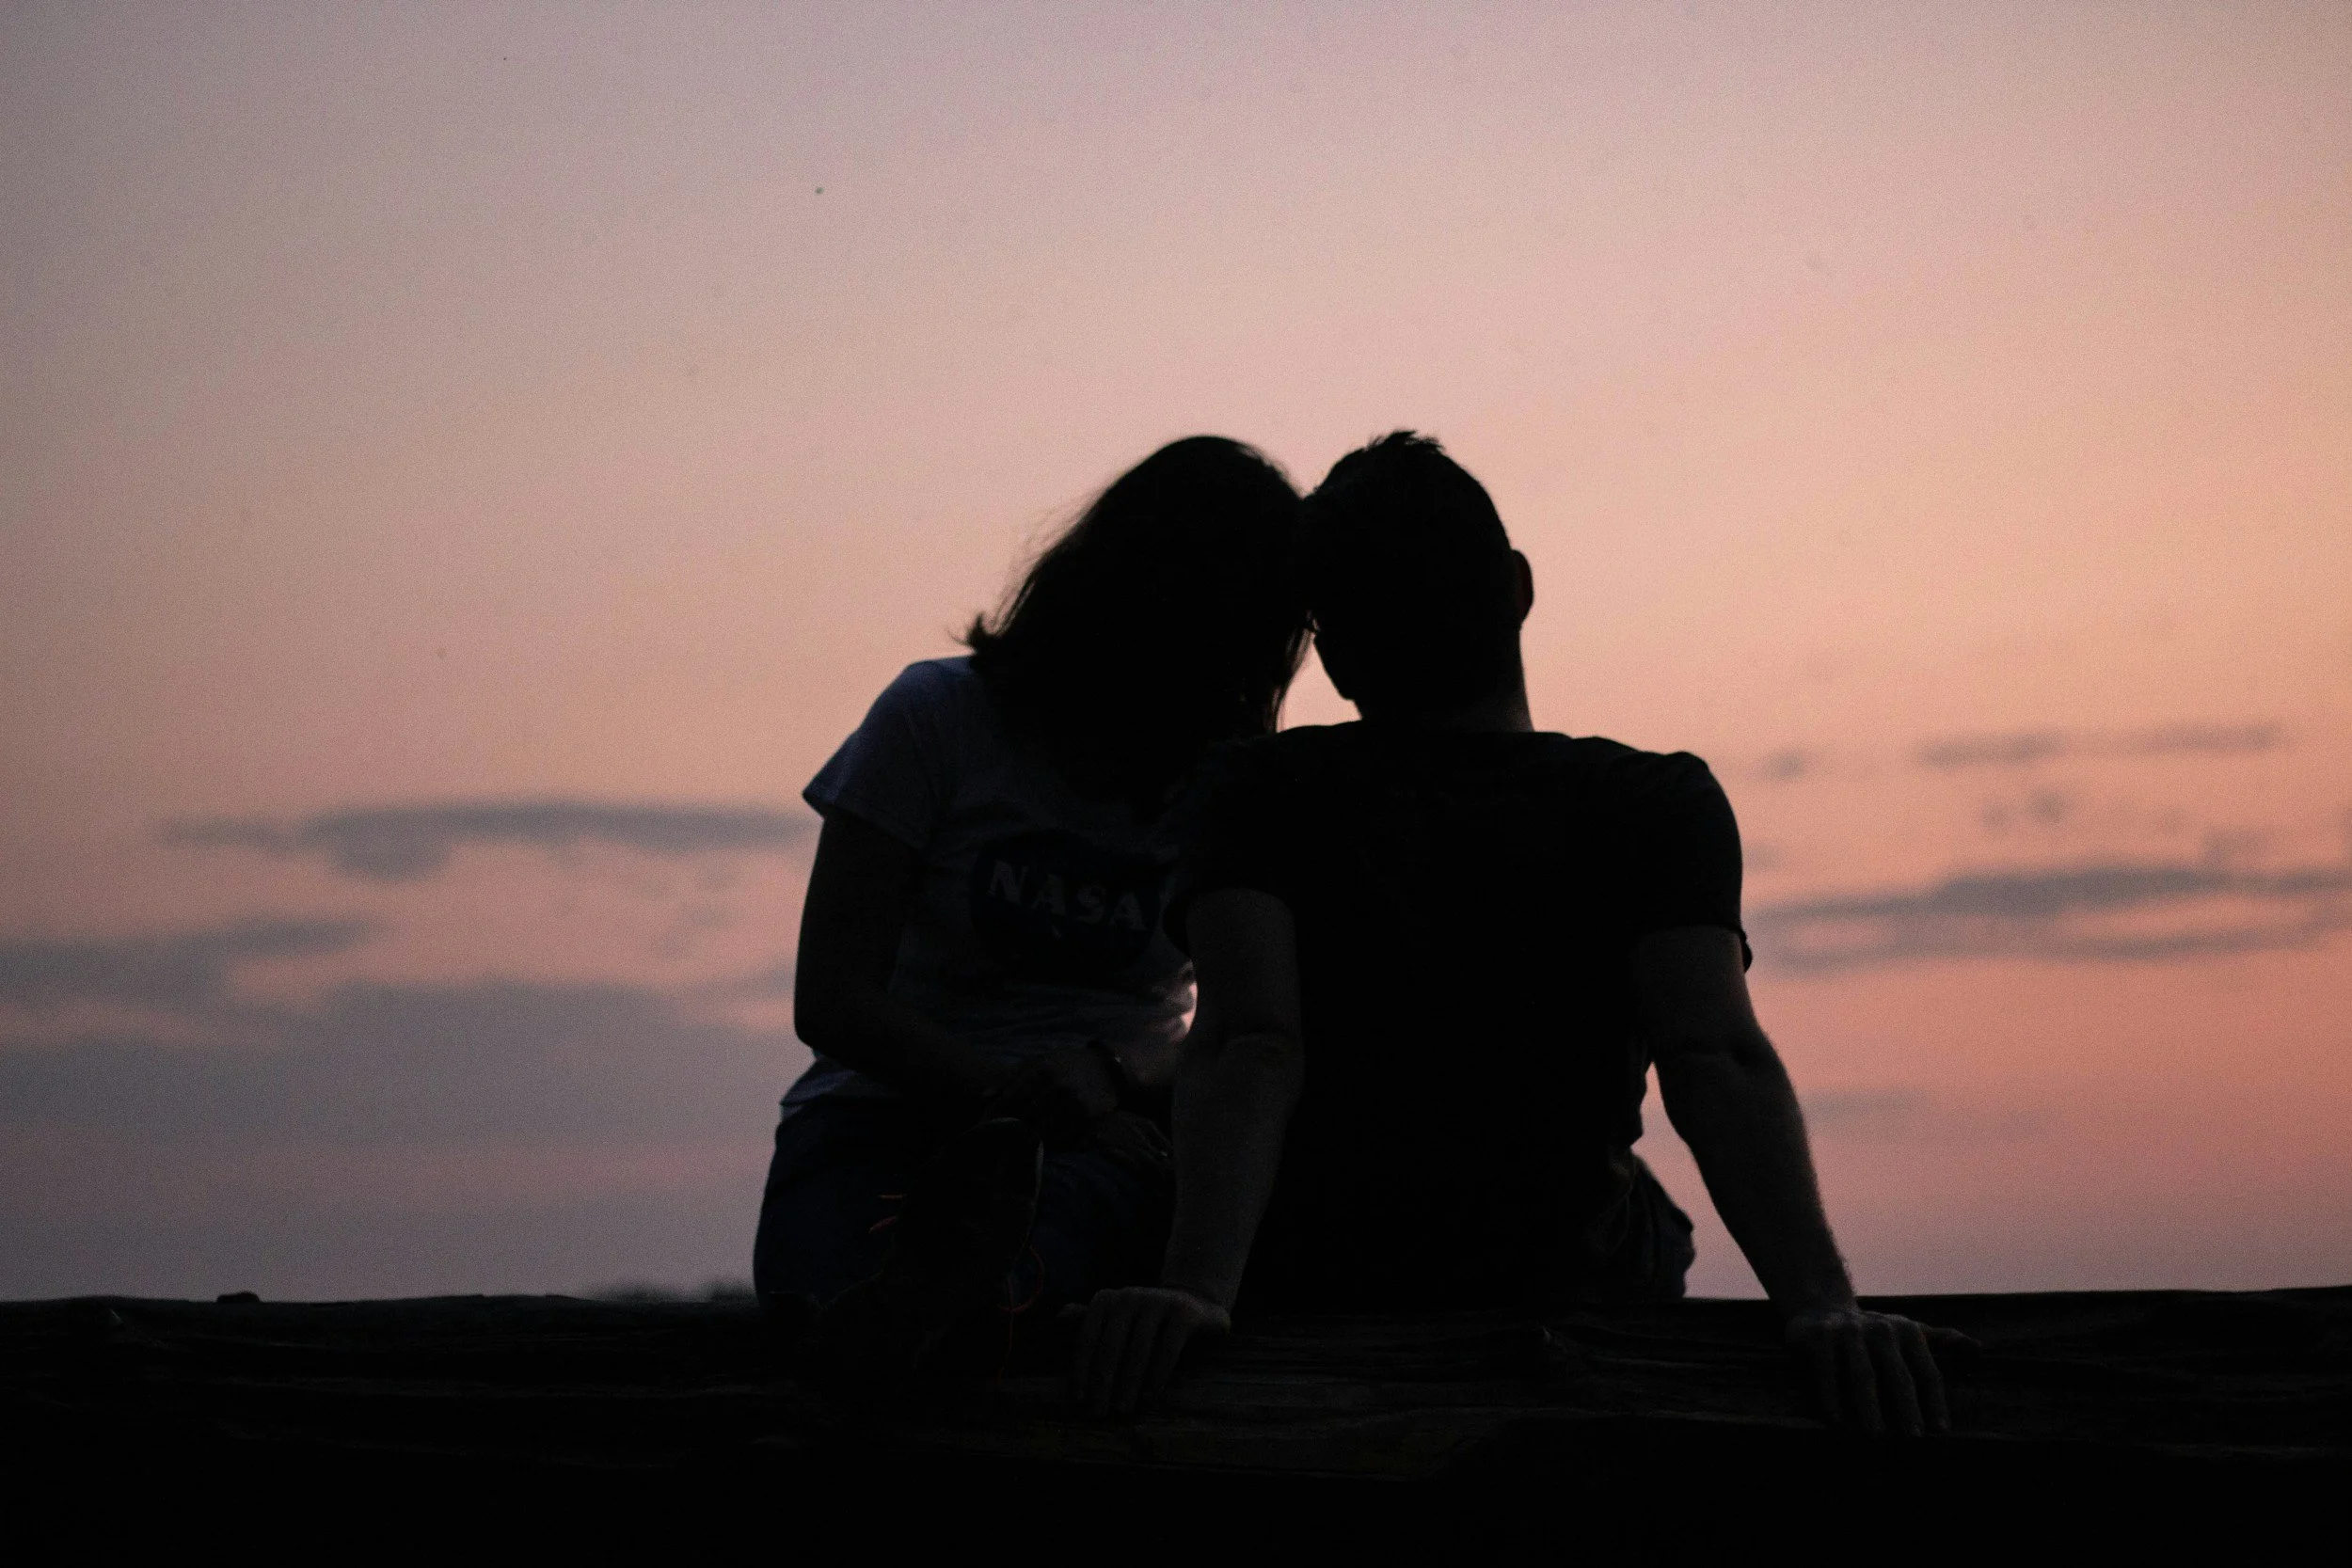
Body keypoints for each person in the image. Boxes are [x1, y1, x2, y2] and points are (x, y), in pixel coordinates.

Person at [1073, 433, 1952, 1434]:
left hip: (1322, 1277)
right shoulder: (1655, 801)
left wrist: (1196, 1288)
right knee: (1647, 1217)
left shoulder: (1254, 790)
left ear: (1341, 652)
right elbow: (1712, 1055)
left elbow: (1249, 1041)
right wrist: (1821, 1305)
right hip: (1564, 1285)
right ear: (1519, 587)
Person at [755, 436, 1310, 1387]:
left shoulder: (1228, 785)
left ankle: (953, 1317)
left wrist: (1112, 1076)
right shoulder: (934, 716)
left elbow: (1246, 1027)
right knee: (863, 1268)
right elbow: (833, 999)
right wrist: (1016, 1100)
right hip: (877, 1123)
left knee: (1054, 1255)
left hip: (1105, 1141)